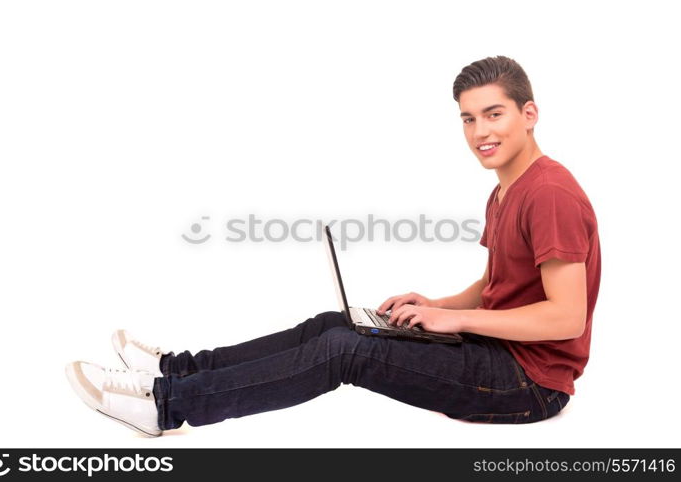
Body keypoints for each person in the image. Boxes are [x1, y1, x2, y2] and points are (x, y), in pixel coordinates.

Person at [65, 56, 601, 437]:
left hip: (529, 384)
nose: (480, 130)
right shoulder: (508, 188)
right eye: (468, 117)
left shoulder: (549, 193)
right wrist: (436, 306)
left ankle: (165, 407)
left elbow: (565, 318)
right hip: (496, 354)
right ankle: (178, 370)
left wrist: (457, 323)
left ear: (529, 114)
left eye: (494, 114)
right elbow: (497, 284)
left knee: (345, 350)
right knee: (334, 323)